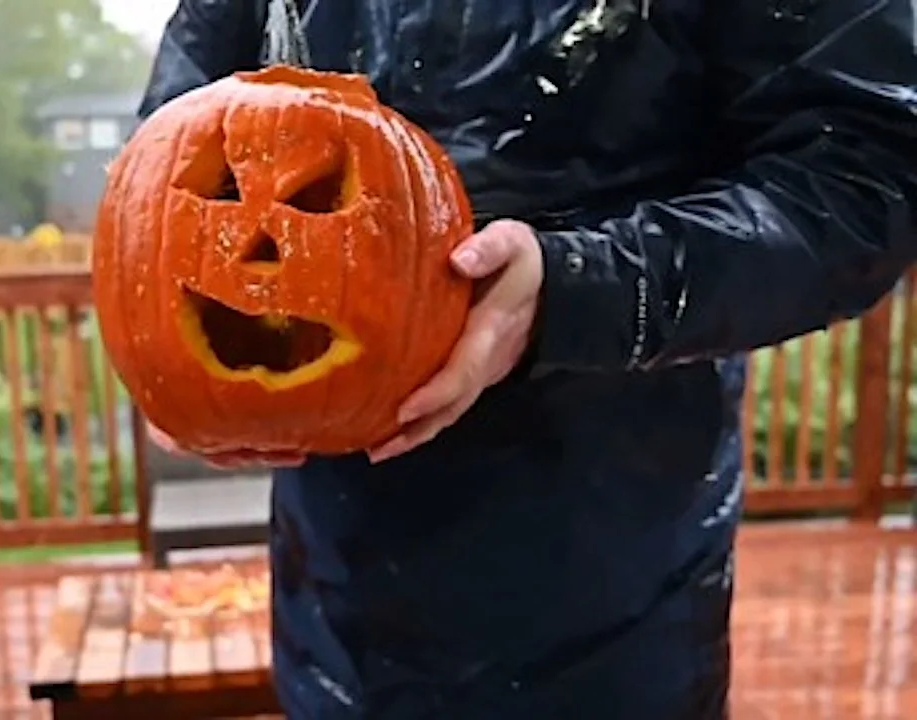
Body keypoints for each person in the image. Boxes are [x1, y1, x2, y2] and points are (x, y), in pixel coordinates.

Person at [137, 1, 917, 717]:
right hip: (337, 601)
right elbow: (173, 158)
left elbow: (860, 177)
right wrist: (168, 348)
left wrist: (583, 288)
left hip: (613, 577)